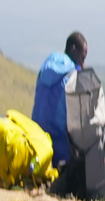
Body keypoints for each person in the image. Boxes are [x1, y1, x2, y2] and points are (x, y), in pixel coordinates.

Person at [31, 31, 87, 168]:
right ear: (73, 50)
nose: (83, 65)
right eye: (82, 57)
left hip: (36, 146)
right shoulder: (72, 78)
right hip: (59, 153)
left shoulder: (45, 69)